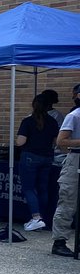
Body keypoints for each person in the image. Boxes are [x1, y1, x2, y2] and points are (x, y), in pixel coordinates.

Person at [16, 95, 60, 232]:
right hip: (47, 157)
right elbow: (56, 142)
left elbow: (20, 142)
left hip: (30, 156)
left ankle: (36, 218)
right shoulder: (53, 121)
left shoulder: (28, 121)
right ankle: (42, 218)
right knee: (43, 189)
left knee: (29, 188)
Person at [50, 83, 80, 258]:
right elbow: (61, 141)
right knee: (68, 200)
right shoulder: (74, 116)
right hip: (75, 158)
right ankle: (59, 241)